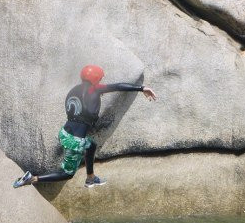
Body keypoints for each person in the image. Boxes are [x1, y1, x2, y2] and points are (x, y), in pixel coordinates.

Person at [13, 64, 157, 188]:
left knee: (91, 146)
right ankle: (32, 178)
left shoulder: (74, 90)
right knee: (67, 174)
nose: (101, 81)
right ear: (95, 79)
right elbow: (118, 86)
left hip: (65, 132)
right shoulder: (95, 90)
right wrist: (142, 88)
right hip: (75, 141)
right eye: (100, 78)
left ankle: (91, 178)